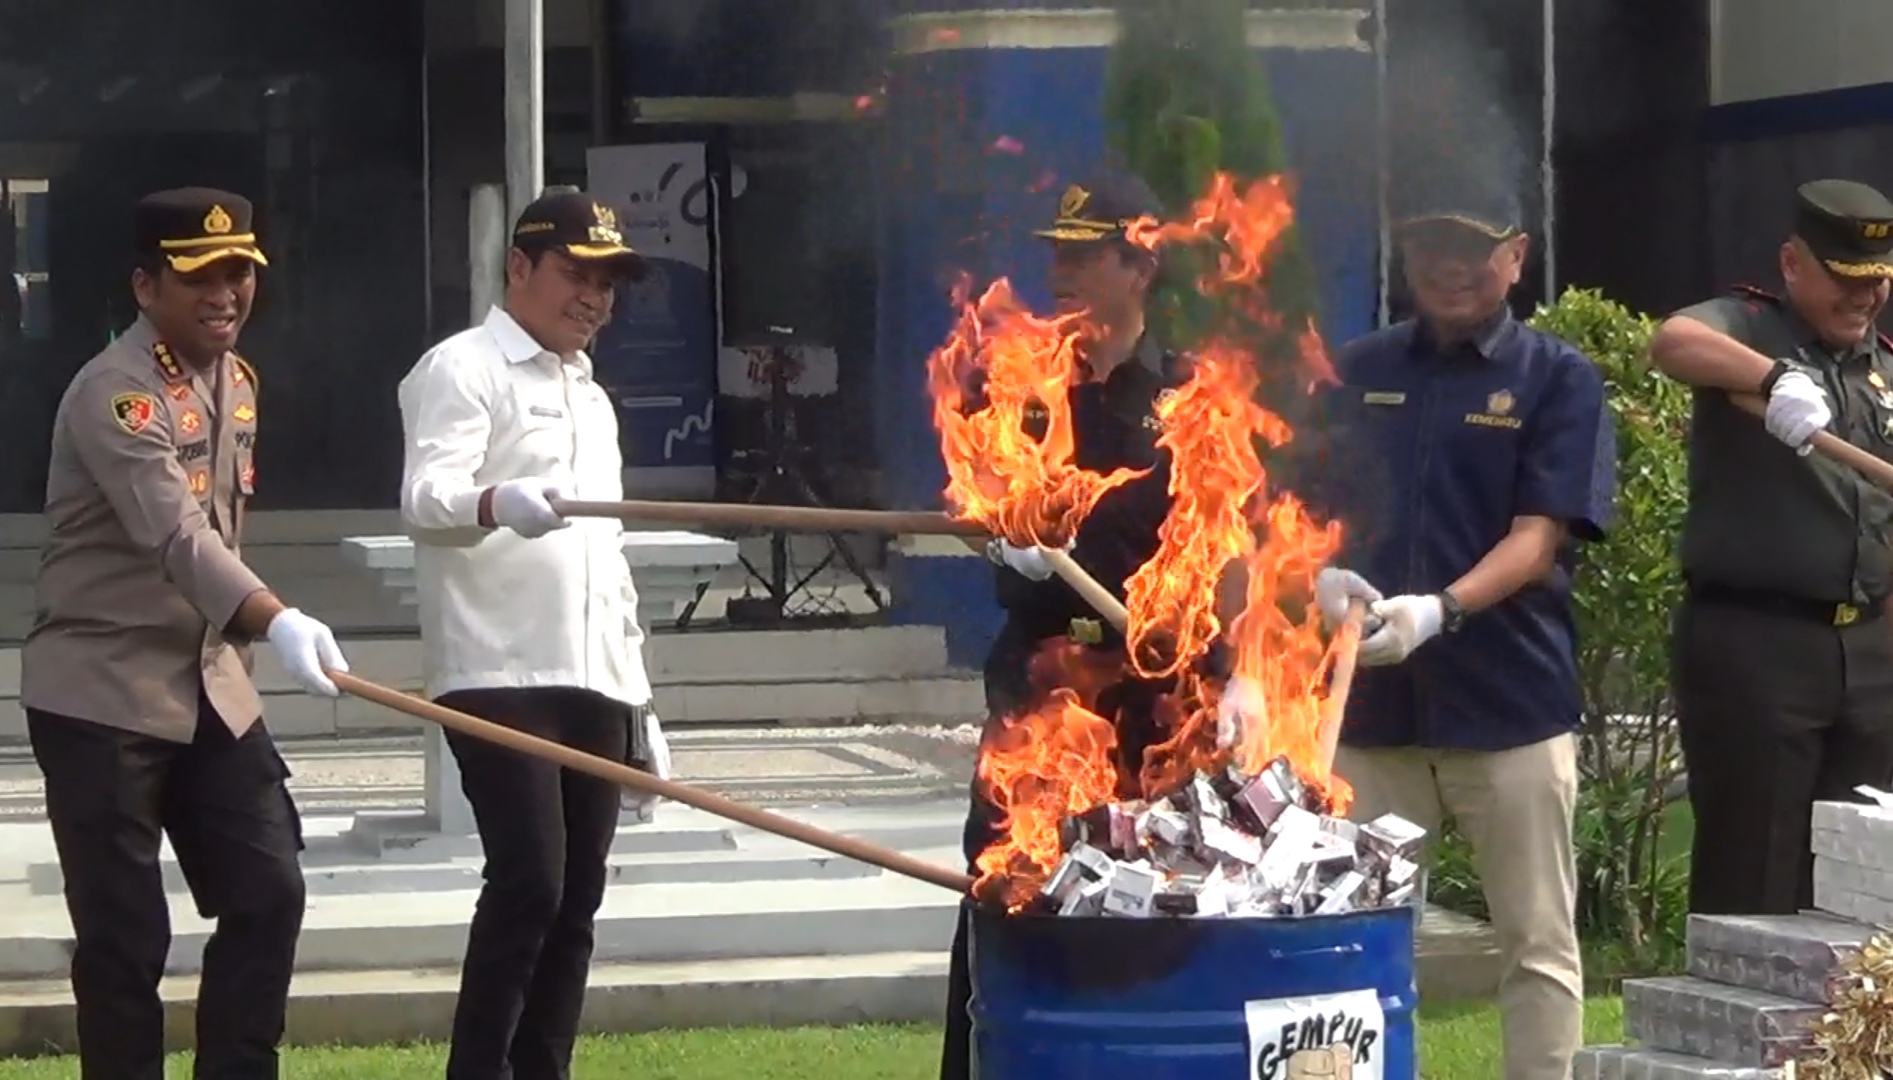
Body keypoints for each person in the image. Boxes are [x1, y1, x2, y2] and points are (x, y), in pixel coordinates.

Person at [22, 187, 351, 1079]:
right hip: (102, 692)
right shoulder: (114, 395)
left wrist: (255, 632)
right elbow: (177, 535)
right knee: (126, 938)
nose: (225, 292)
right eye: (199, 274)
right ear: (145, 285)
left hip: (210, 685)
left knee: (269, 892)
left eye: (239, 271)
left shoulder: (236, 382)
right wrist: (275, 618)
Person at [1296, 183, 1615, 1080]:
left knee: (1537, 944)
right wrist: (1318, 575)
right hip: (1372, 719)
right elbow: (1305, 510)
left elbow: (1537, 536)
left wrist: (1440, 610)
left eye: (1473, 248)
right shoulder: (1356, 371)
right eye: (1430, 243)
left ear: (1515, 256)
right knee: (1349, 941)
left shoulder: (1556, 378)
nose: (1450, 265)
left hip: (1509, 706)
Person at [397, 188, 673, 1080]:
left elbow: (609, 555)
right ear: (520, 268)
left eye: (608, 282)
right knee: (531, 883)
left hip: (594, 674)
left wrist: (642, 702)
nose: (593, 298)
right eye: (575, 275)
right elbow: (424, 500)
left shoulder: (591, 394)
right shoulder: (462, 366)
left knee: (578, 897)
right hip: (498, 670)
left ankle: (542, 1070)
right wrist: (493, 502)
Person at [938, 173, 1189, 1080]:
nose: (1061, 269)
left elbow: (1223, 539)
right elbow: (976, 500)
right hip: (1039, 677)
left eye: (1084, 253)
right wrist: (1003, 551)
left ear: (1140, 265)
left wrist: (1235, 675)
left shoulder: (1193, 397)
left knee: (1154, 900)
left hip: (1152, 691)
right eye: (1056, 250)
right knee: (1006, 885)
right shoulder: (1021, 380)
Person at [1647, 178, 1893, 916]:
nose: (1863, 297)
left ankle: (1847, 1035)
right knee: (1753, 877)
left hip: (1871, 654)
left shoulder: (1882, 368)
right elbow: (1671, 342)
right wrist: (1772, 377)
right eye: (1844, 280)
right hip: (1758, 646)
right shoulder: (1748, 325)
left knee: (1861, 872)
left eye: (1877, 281)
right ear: (1792, 263)